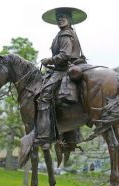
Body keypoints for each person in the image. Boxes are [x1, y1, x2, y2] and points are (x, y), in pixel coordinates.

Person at [34, 7, 87, 149]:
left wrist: (48, 60)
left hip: (65, 68)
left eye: (63, 16)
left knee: (44, 95)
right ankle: (70, 134)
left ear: (69, 19)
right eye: (58, 17)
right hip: (67, 66)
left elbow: (64, 55)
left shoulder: (65, 33)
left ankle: (44, 135)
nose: (60, 19)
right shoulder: (64, 33)